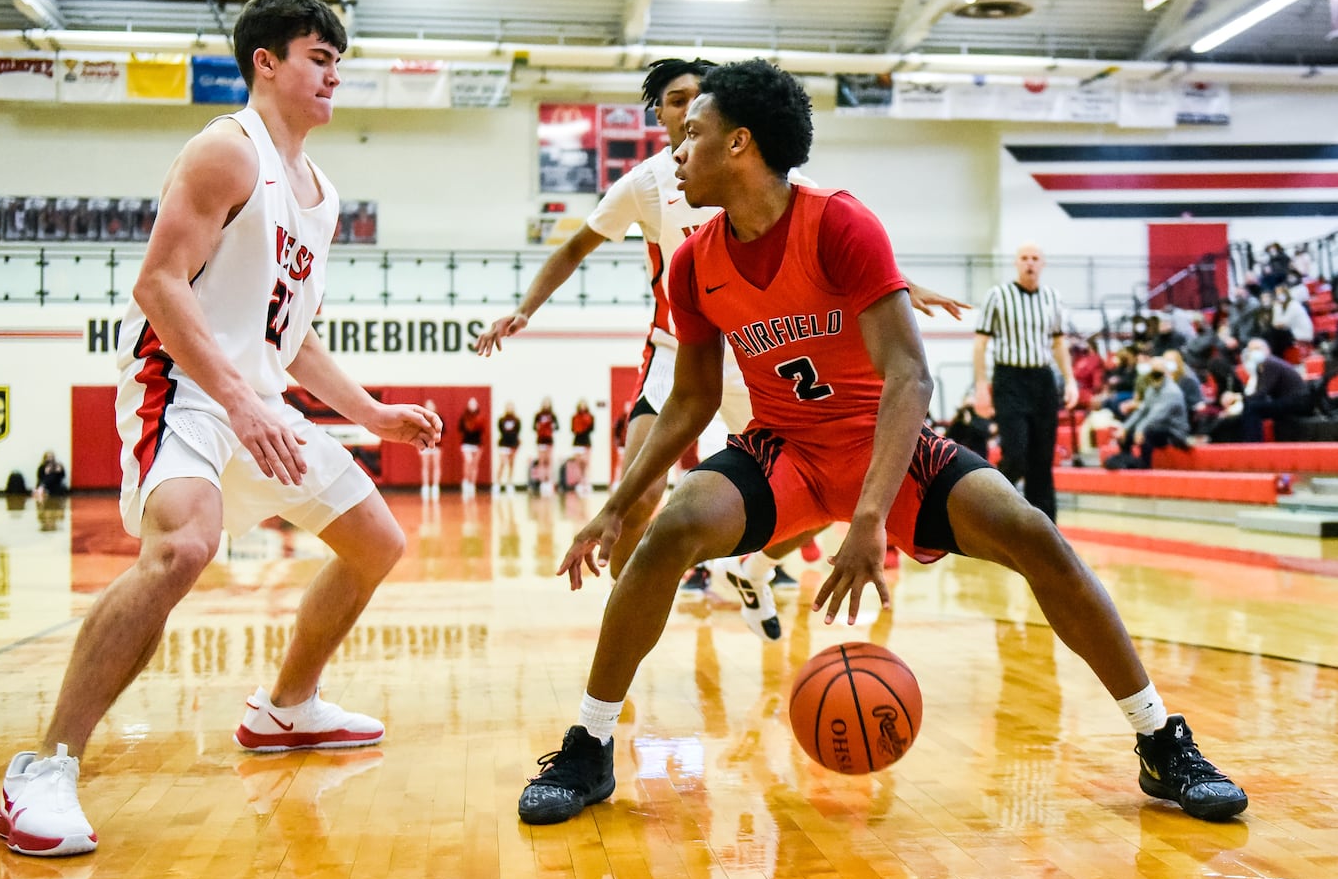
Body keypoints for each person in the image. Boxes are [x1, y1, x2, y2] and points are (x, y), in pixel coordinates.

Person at [516, 59, 1245, 829]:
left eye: (690, 135)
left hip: (882, 447)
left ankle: (1161, 741)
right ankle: (590, 746)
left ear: (739, 144)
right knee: (670, 529)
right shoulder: (693, 262)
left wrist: (867, 521)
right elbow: (692, 400)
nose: (675, 153)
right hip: (782, 450)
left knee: (1033, 531)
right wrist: (612, 507)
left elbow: (909, 378)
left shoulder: (836, 222)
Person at [0, 0, 441, 858]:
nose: (333, 73)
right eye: (317, 55)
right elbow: (159, 285)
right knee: (182, 549)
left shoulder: (320, 191)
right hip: (187, 389)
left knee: (377, 542)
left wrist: (373, 413)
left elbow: (292, 333)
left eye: (338, 60)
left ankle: (286, 708)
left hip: (256, 399)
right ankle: (43, 766)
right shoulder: (225, 150)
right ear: (265, 62)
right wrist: (237, 399)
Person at [477, 57, 967, 640]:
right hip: (676, 351)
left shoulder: (765, 171)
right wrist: (525, 308)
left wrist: (904, 284)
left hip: (763, 354)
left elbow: (838, 236)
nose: (690, 107)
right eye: (678, 99)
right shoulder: (645, 183)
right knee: (642, 490)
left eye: (699, 98)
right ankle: (630, 612)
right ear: (658, 113)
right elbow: (574, 248)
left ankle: (754, 572)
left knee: (819, 502)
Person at [972, 242, 1078, 522]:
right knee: (1016, 454)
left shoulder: (1052, 297)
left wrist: (1070, 381)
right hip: (1010, 379)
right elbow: (980, 344)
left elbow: (1058, 343)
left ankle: (1045, 529)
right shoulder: (998, 296)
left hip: (1043, 380)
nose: (1030, 263)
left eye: (1035, 258)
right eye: (1024, 258)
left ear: (1042, 264)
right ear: (1016, 263)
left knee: (1042, 461)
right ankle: (991, 511)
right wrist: (982, 386)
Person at [1109, 362, 1189, 469]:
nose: (1155, 377)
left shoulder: (1172, 392)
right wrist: (1125, 428)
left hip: (1173, 432)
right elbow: (1142, 411)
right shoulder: (1151, 389)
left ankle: (1145, 466)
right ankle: (1127, 461)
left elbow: (1157, 416)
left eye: (1158, 374)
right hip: (1156, 426)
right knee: (1127, 434)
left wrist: (1140, 429)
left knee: (1146, 434)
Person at [458, 396, 486, 495]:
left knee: (474, 465)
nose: (472, 406)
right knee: (468, 461)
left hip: (477, 443)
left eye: (474, 404)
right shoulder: (464, 417)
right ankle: (466, 480)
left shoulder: (481, 417)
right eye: (471, 404)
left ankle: (472, 484)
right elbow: (460, 429)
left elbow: (483, 430)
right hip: (466, 443)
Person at [569, 398, 595, 494]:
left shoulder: (590, 417)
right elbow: (572, 429)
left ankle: (587, 483)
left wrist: (584, 424)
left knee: (586, 464)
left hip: (586, 442)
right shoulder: (574, 417)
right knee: (578, 464)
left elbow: (592, 428)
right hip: (577, 442)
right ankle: (580, 483)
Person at [533, 397, 558, 495]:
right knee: (541, 461)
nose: (546, 405)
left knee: (549, 461)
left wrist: (551, 427)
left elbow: (557, 426)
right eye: (544, 403)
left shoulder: (553, 415)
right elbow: (533, 427)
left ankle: (549, 481)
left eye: (547, 403)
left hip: (549, 440)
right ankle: (542, 482)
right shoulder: (538, 415)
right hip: (540, 440)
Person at [418, 398, 443, 499]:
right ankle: (425, 486)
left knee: (436, 466)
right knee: (425, 466)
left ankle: (436, 486)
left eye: (431, 405)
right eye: (428, 405)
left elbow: (442, 431)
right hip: (425, 445)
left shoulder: (438, 419)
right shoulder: (421, 419)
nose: (430, 407)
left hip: (437, 446)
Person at [496, 402, 522, 491]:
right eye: (508, 407)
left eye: (511, 407)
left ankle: (509, 483)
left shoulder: (517, 420)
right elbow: (500, 430)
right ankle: (497, 483)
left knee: (511, 464)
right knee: (502, 463)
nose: (509, 409)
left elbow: (518, 431)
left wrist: (516, 444)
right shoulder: (502, 419)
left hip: (513, 444)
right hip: (504, 443)